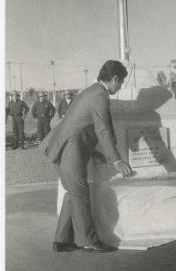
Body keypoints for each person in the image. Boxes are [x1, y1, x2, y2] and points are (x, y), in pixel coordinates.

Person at [41, 60, 132, 253]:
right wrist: (117, 159)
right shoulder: (100, 95)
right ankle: (88, 240)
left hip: (63, 147)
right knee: (80, 194)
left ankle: (62, 240)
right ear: (114, 78)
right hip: (70, 150)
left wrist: (94, 151)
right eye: (121, 82)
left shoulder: (89, 91)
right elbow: (102, 129)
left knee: (73, 193)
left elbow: (81, 125)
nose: (121, 86)